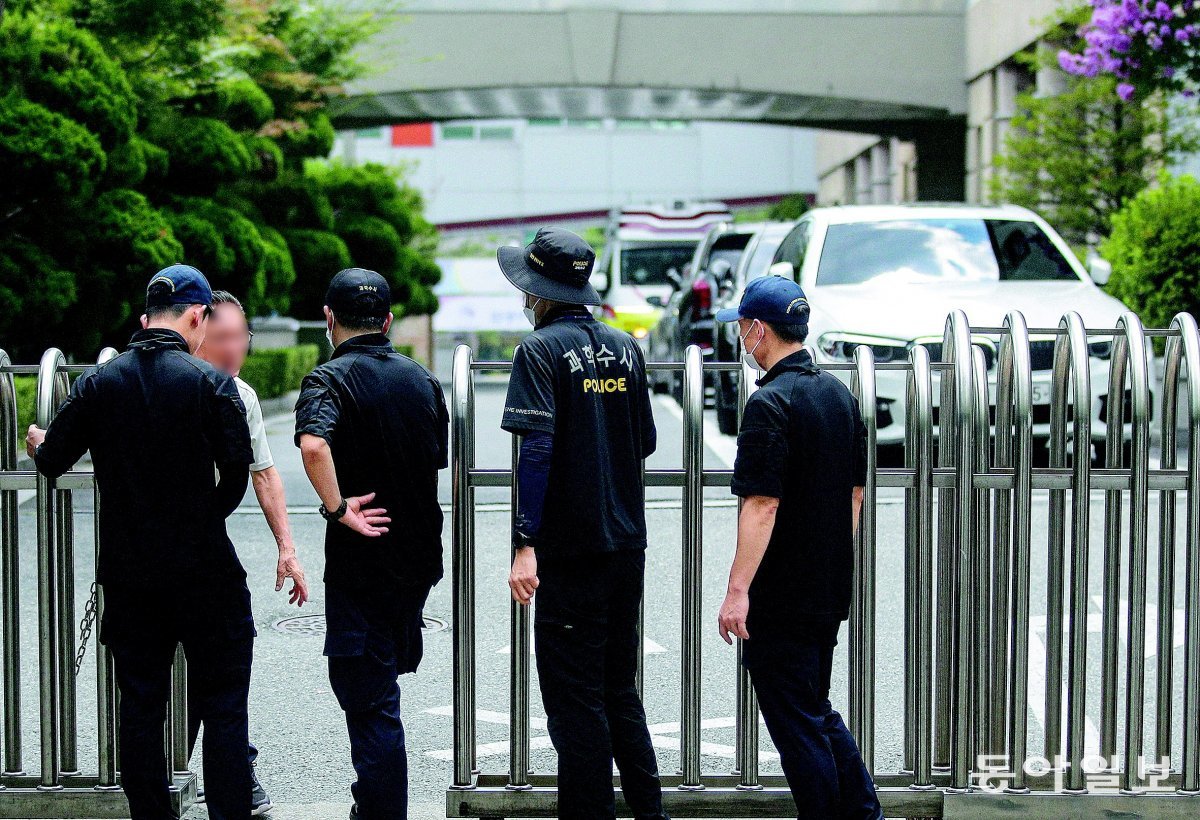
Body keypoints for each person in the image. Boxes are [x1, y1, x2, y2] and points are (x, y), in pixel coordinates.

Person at [26, 265, 256, 820]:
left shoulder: (101, 384)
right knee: (225, 705)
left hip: (130, 571)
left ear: (144, 317)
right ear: (198, 317)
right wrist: (200, 519)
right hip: (205, 568)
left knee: (141, 706)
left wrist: (39, 440)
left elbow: (53, 458)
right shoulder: (212, 385)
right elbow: (236, 474)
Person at [499, 227, 668, 820]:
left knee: (574, 702)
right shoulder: (626, 347)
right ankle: (650, 811)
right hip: (626, 543)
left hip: (570, 550)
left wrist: (526, 543)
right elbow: (644, 438)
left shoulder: (538, 352)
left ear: (538, 292)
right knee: (619, 690)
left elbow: (536, 453)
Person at [713, 275, 883, 820]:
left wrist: (737, 591)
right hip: (828, 583)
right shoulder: (839, 396)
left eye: (742, 327)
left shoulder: (770, 404)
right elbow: (854, 495)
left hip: (782, 591)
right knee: (813, 708)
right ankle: (862, 814)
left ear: (759, 330)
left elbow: (762, 504)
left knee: (795, 721)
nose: (741, 337)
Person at [294, 268, 447, 820]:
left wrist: (338, 509)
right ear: (387, 320)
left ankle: (381, 812)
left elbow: (314, 445)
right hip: (418, 560)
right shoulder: (424, 381)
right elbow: (431, 464)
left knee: (370, 696)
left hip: (364, 562)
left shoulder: (329, 380)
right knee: (381, 684)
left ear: (329, 319)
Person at [192, 289, 310, 815]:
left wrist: (287, 546)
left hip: (203, 549)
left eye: (241, 337)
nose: (233, 348)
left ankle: (234, 769)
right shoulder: (162, 385)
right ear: (195, 331)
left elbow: (264, 473)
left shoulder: (239, 395)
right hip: (159, 553)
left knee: (216, 677)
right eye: (221, 338)